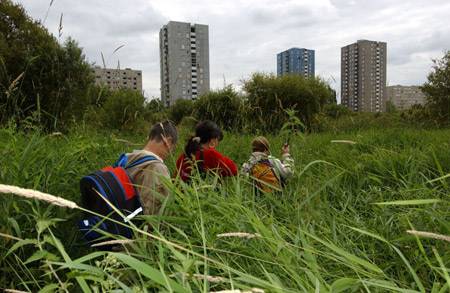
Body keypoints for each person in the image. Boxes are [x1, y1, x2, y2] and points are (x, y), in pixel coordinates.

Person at [124, 120, 178, 215]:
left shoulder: (128, 160)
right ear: (168, 141)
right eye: (173, 148)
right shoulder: (156, 167)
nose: (170, 154)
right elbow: (157, 213)